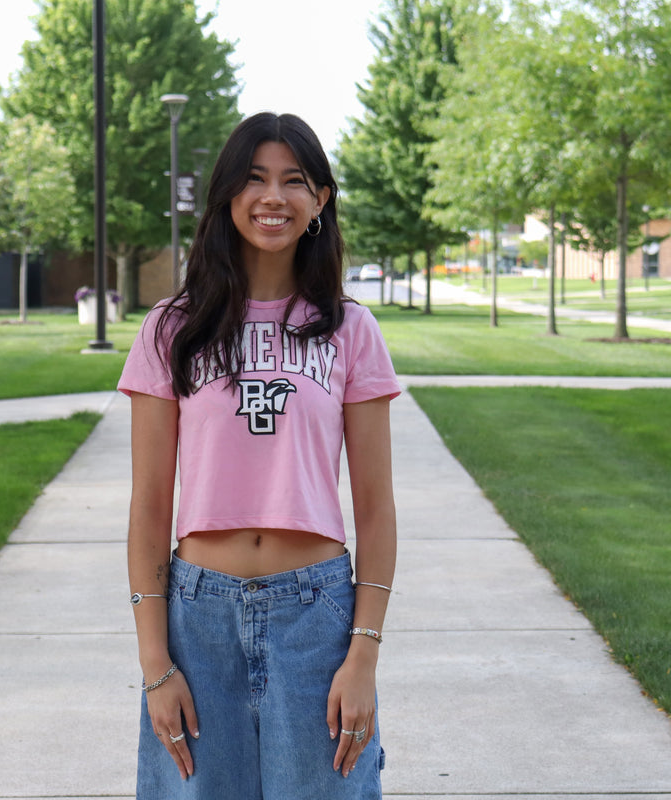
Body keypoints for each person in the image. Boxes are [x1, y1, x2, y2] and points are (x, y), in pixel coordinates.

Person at [117, 112, 400, 800]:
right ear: (226, 197)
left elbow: (376, 509)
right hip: (198, 616)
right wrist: (156, 664)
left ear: (319, 202)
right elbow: (151, 507)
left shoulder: (349, 329)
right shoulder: (173, 329)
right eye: (253, 179)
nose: (273, 196)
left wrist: (362, 653)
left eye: (293, 181)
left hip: (317, 613)